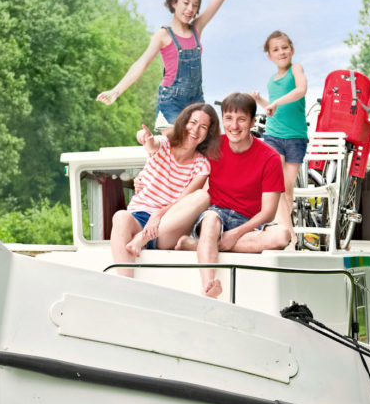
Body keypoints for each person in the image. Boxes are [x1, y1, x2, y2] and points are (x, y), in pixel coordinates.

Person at [96, 0, 247, 128]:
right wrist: (115, 92)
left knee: (202, 147)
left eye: (195, 5)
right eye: (186, 3)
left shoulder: (196, 29)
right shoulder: (163, 35)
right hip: (171, 102)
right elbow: (140, 64)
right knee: (175, 150)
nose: (190, 9)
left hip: (196, 100)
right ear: (174, 3)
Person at [169, 93, 292, 297]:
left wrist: (234, 234)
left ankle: (195, 246)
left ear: (253, 122)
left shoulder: (270, 157)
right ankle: (209, 286)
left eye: (241, 119)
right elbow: (177, 148)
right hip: (216, 216)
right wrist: (148, 151)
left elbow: (268, 213)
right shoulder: (212, 146)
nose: (234, 126)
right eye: (228, 118)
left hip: (249, 223)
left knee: (282, 235)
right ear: (222, 119)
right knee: (210, 220)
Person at [109, 103, 219, 277]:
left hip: (167, 227)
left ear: (208, 134)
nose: (196, 130)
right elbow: (151, 144)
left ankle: (142, 239)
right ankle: (125, 285)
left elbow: (183, 199)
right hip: (139, 218)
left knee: (201, 197)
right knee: (120, 216)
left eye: (203, 127)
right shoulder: (164, 144)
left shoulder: (202, 165)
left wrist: (158, 215)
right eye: (193, 122)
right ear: (183, 122)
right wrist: (145, 137)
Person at [250, 30, 307, 229]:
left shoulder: (296, 69)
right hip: (273, 135)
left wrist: (276, 103)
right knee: (276, 185)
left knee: (287, 188)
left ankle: (285, 228)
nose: (281, 52)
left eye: (285, 48)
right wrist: (260, 101)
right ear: (270, 56)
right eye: (276, 49)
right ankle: (284, 231)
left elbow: (301, 91)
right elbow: (272, 109)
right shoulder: (271, 80)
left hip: (295, 138)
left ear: (291, 50)